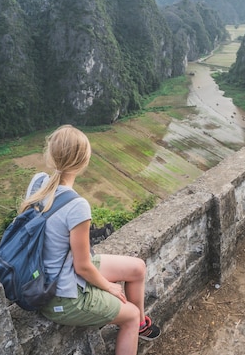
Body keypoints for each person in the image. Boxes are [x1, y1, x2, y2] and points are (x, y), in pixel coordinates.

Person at [19, 124, 160, 355]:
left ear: (50, 155)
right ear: (84, 161)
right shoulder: (77, 206)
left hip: (53, 273)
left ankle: (142, 326)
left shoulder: (37, 182)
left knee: (137, 268)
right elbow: (83, 266)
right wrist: (109, 288)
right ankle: (135, 322)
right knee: (130, 316)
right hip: (60, 294)